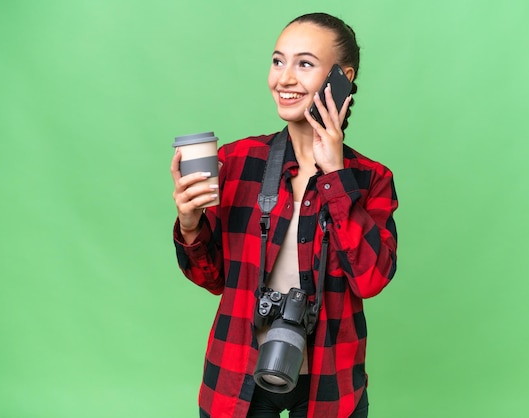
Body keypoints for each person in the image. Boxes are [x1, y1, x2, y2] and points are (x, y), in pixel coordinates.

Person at [170, 12, 398, 418]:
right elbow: (213, 279)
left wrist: (335, 176)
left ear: (341, 78)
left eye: (304, 64)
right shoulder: (236, 161)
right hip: (237, 375)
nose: (284, 78)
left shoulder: (370, 179)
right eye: (278, 61)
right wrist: (190, 226)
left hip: (330, 381)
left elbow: (371, 278)